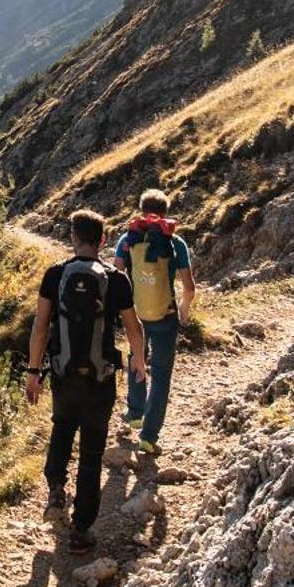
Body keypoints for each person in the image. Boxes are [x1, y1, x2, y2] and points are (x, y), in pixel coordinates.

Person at [26, 209, 147, 555]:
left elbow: (40, 327)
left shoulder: (55, 274)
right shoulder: (116, 279)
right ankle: (80, 531)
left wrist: (34, 373)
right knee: (92, 451)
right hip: (100, 377)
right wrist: (139, 360)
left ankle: (55, 490)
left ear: (73, 238)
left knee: (61, 428)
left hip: (63, 374)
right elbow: (133, 327)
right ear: (103, 240)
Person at [114, 189, 197, 457]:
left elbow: (116, 275)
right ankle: (149, 437)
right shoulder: (175, 242)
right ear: (166, 212)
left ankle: (135, 412)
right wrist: (184, 309)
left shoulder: (128, 239)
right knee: (161, 374)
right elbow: (189, 286)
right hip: (166, 314)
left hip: (136, 314)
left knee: (136, 356)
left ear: (141, 209)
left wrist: (123, 311)